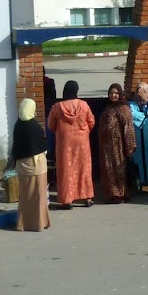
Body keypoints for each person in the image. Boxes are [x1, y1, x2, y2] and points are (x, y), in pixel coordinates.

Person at [47, 80, 95, 209]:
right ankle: (87, 198)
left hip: (65, 144)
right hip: (82, 143)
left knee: (66, 170)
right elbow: (91, 122)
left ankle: (67, 200)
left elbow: (51, 125)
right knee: (83, 169)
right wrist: (82, 132)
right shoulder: (84, 105)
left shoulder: (57, 107)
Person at [11, 98, 51, 231]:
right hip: (36, 165)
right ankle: (39, 223)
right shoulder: (33, 126)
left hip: (22, 166)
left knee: (25, 196)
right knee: (38, 196)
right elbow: (42, 144)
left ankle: (23, 223)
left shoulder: (18, 125)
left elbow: (16, 147)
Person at [98, 83, 137, 204]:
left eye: (116, 93)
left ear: (120, 94)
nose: (113, 95)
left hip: (118, 146)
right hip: (107, 146)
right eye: (111, 93)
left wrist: (130, 146)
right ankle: (115, 193)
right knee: (109, 170)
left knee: (118, 169)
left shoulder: (123, 108)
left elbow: (128, 128)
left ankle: (119, 194)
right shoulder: (109, 107)